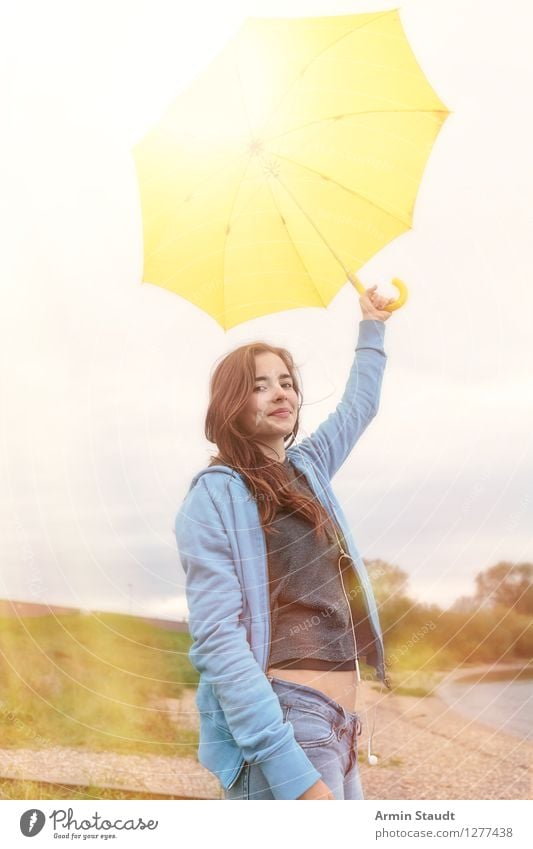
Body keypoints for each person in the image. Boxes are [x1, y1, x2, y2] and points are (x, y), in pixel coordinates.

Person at [175, 285, 394, 800]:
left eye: (287, 382)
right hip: (289, 724)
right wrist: (288, 768)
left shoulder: (309, 468)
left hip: (340, 723)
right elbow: (217, 639)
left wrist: (372, 325)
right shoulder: (215, 496)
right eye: (259, 385)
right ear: (230, 403)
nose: (281, 393)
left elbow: (360, 405)